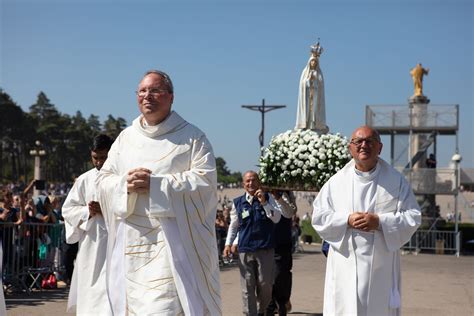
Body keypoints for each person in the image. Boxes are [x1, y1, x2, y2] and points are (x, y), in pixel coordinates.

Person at [96, 70, 221, 315]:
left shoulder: (193, 137)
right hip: (132, 246)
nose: (147, 96)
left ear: (171, 97)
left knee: (165, 308)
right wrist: (125, 185)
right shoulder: (125, 139)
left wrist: (157, 185)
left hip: (173, 247)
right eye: (142, 91)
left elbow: (205, 182)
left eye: (155, 91)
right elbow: (103, 180)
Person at [312, 126, 421, 316]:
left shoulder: (396, 181)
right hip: (344, 263)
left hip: (381, 265)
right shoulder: (335, 183)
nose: (364, 146)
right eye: (358, 142)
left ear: (379, 147)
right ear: (350, 148)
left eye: (369, 142)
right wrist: (346, 219)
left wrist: (379, 222)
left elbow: (413, 216)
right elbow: (319, 217)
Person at [62, 134, 114, 315]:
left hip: (116, 244)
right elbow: (67, 210)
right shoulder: (84, 180)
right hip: (91, 244)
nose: (99, 162)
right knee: (91, 294)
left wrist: (106, 208)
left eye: (103, 157)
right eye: (95, 158)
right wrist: (87, 212)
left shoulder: (122, 178)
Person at [223, 171, 281, 316]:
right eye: (248, 181)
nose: (251, 183)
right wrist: (228, 244)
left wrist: (265, 203)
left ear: (259, 182)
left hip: (265, 249)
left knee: (265, 284)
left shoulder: (268, 198)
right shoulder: (238, 203)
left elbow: (276, 218)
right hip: (245, 249)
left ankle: (262, 310)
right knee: (247, 286)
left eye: (254, 180)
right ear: (243, 184)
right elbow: (234, 226)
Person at [266, 191, 297, 316]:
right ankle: (273, 304)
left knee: (282, 275)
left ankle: (282, 301)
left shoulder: (287, 194)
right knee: (269, 277)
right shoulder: (263, 193)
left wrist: (279, 197)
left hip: (283, 242)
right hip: (267, 243)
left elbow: (290, 212)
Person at [295, 41, 328, 133]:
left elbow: (320, 86)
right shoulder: (305, 72)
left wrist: (315, 82)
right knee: (307, 112)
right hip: (307, 96)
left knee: (314, 111)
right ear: (309, 62)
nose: (313, 63)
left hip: (315, 96)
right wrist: (308, 81)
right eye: (312, 61)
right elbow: (302, 85)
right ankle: (305, 124)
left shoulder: (319, 74)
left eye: (315, 61)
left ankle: (314, 125)